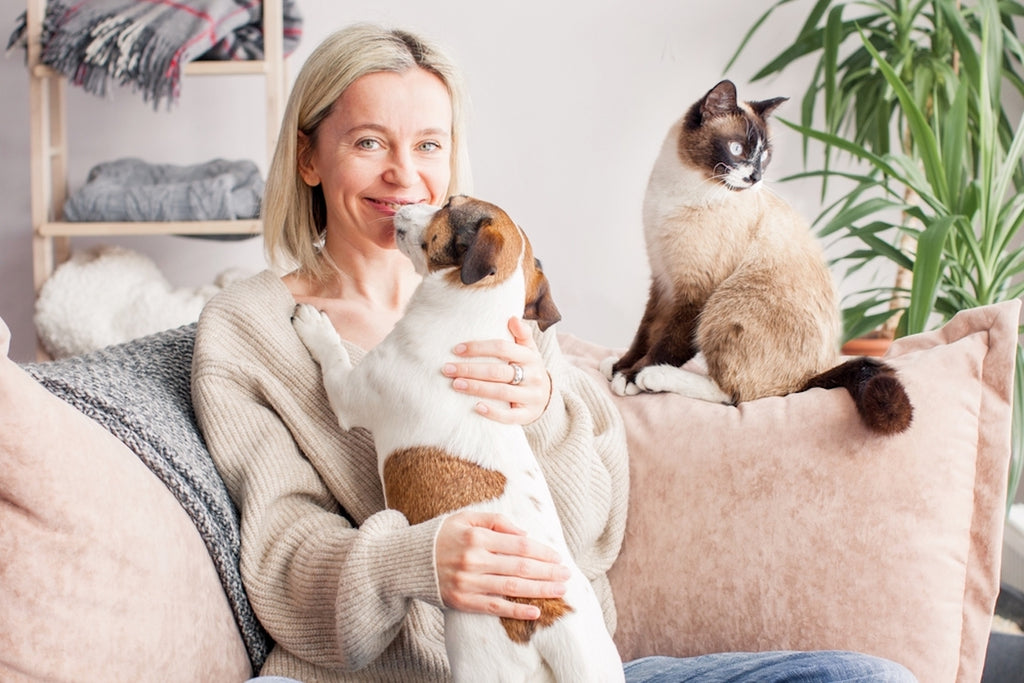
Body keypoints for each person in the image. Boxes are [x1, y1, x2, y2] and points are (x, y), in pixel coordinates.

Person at [191, 23, 918, 683]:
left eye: (429, 145)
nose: (404, 174)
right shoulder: (248, 330)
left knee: (866, 679)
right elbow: (282, 570)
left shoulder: (499, 281)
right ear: (309, 158)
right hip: (410, 674)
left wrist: (543, 406)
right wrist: (418, 560)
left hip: (574, 663)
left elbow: (595, 532)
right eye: (369, 142)